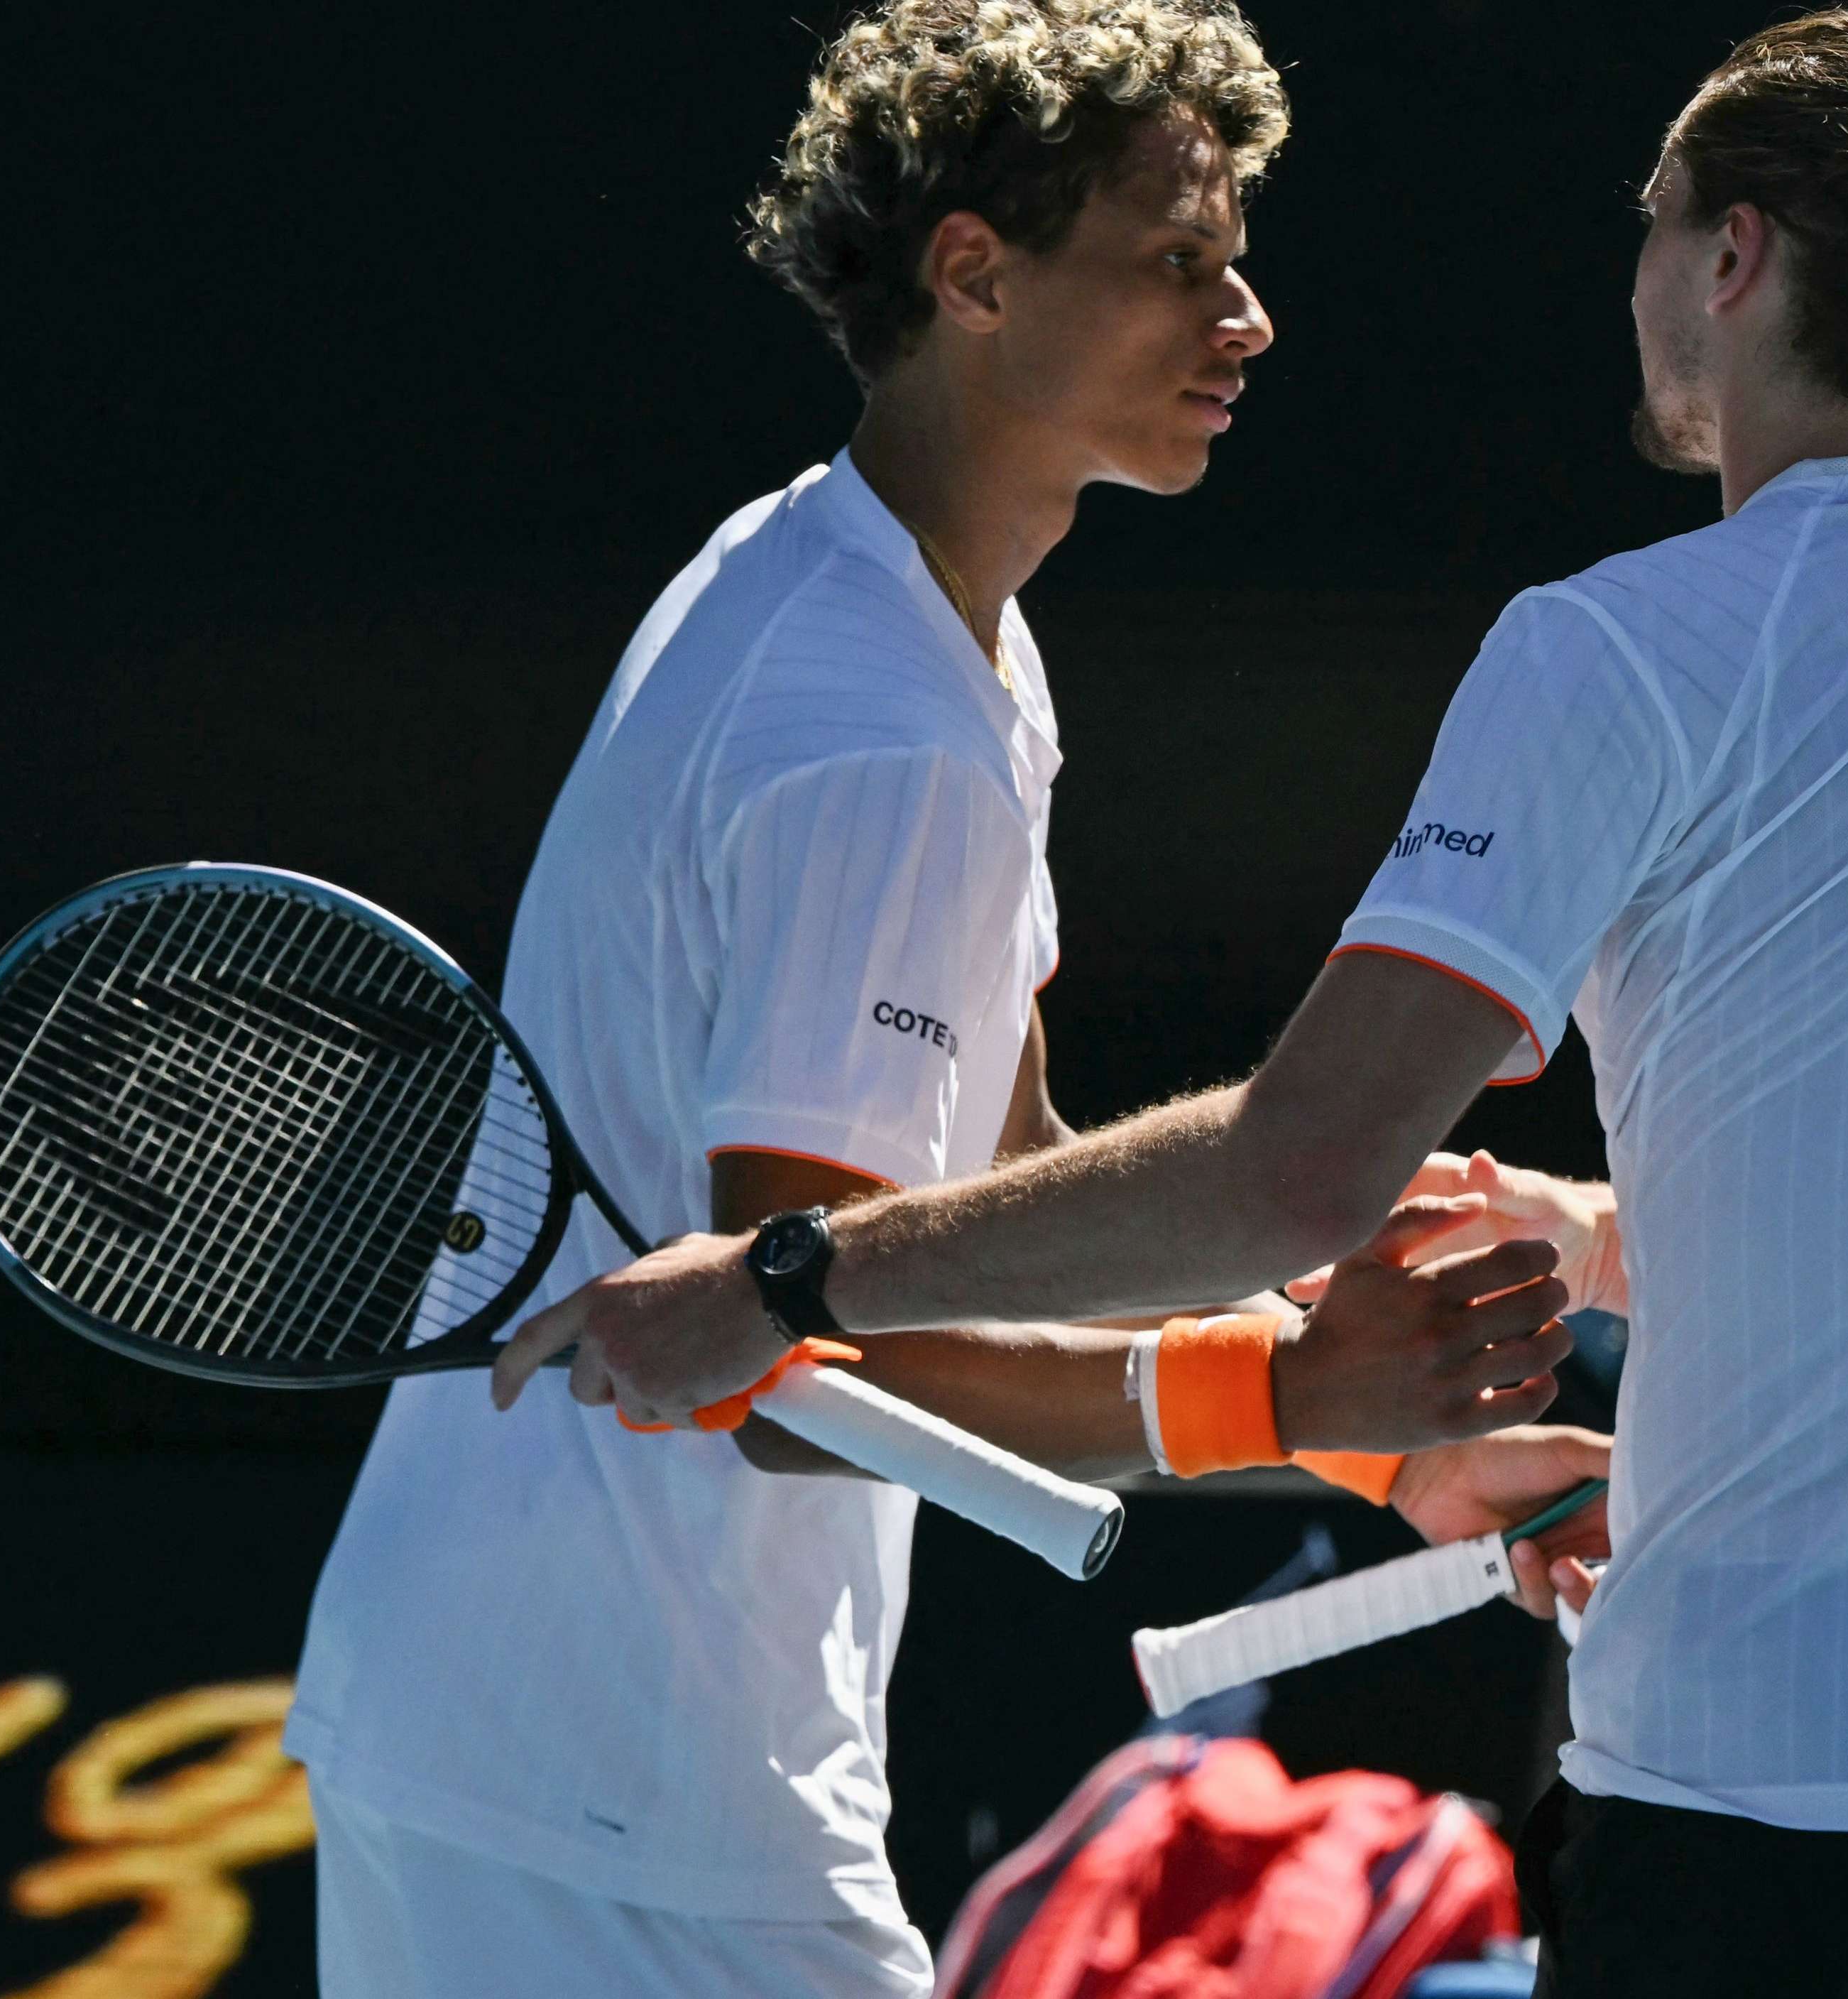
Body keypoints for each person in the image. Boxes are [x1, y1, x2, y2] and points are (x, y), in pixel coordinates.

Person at [508, 13, 1848, 1993]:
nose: (1251, 318)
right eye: (1186, 261)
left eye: (1651, 226)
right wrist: (1582, 1261)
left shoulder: (1612, 650)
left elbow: (1294, 1169)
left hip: (1770, 1824)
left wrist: (777, 1283)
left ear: (1732, 258)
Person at [287, 7, 1604, 1993]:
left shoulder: (872, 607)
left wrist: (1368, 1445)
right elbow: (793, 1365)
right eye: (1177, 263)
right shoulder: (878, 729)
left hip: (527, 1739)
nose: (1243, 318)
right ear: (973, 273)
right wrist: (1292, 1385)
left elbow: (1001, 1193)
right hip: (622, 1796)